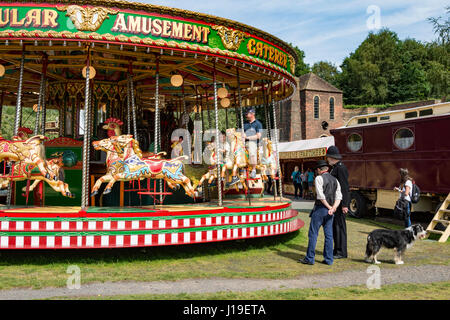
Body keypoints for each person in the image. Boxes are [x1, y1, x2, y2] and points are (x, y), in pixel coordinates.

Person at [299, 160, 342, 265]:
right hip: (331, 210)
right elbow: (339, 196)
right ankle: (328, 259)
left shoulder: (319, 178)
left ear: (319, 170)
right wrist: (333, 208)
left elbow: (320, 196)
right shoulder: (335, 180)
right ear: (327, 169)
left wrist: (328, 207)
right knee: (329, 235)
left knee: (313, 233)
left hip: (320, 208)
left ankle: (310, 258)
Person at [326, 146, 350, 260]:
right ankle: (337, 249)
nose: (327, 160)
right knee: (335, 226)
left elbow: (345, 187)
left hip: (340, 202)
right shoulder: (335, 168)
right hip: (336, 201)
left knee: (339, 227)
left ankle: (341, 251)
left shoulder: (340, 168)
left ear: (331, 157)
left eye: (328, 158)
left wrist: (345, 204)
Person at [243, 108, 263, 179]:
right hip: (244, 142)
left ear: (252, 114)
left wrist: (247, 137)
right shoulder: (244, 124)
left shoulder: (258, 124)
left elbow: (258, 136)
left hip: (253, 142)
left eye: (247, 113)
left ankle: (254, 170)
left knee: (252, 151)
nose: (246, 115)